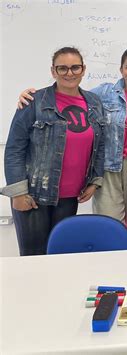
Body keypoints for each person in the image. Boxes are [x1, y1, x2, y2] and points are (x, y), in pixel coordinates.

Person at [18, 46, 127, 222]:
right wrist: (33, 97)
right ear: (121, 69)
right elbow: (70, 96)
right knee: (109, 221)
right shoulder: (104, 93)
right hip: (109, 165)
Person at [1, 47, 105, 256]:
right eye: (62, 68)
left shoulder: (94, 102)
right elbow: (14, 148)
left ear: (83, 69)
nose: (70, 73)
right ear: (53, 71)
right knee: (34, 258)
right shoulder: (34, 101)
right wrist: (18, 192)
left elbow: (100, 144)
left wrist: (95, 180)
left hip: (69, 197)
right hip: (34, 195)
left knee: (61, 255)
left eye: (75, 67)